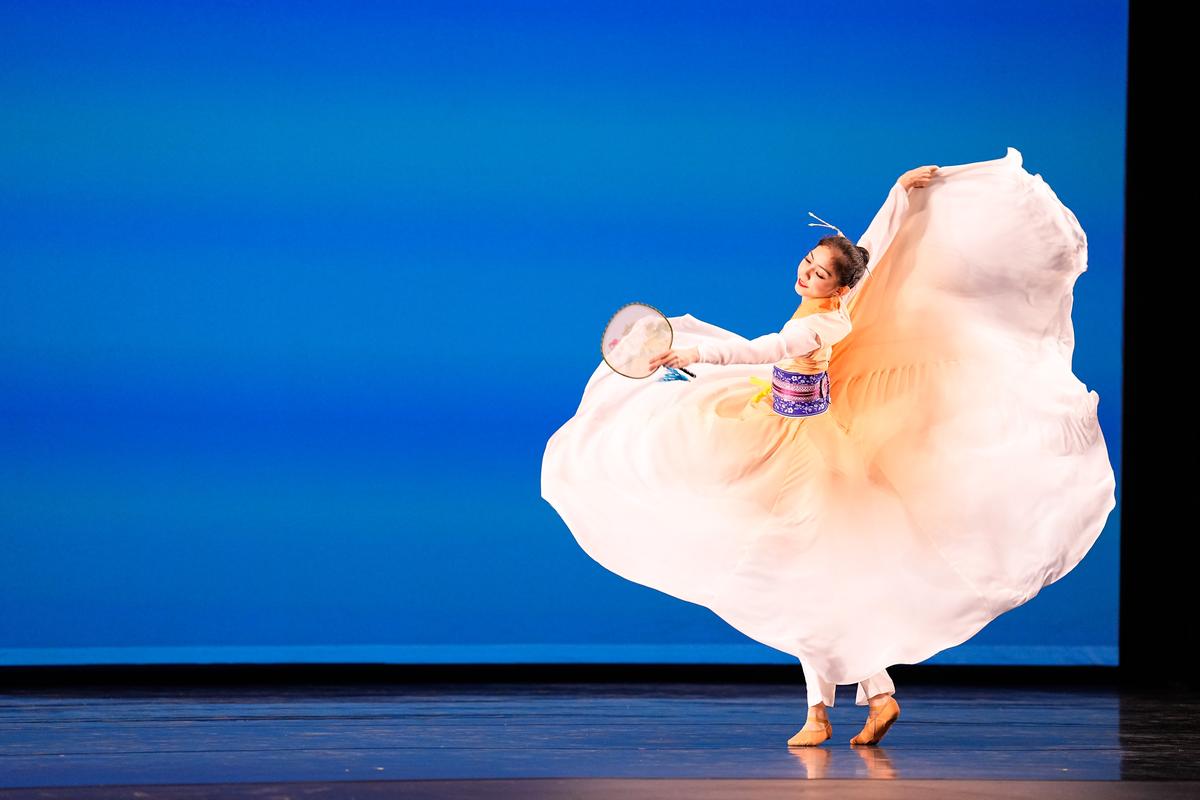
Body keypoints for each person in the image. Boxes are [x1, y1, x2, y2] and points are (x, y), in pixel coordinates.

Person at [541, 148, 1116, 748]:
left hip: (801, 450)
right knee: (818, 583)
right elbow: (874, 248)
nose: (807, 272)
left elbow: (762, 348)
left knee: (806, 579)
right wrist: (901, 195)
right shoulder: (843, 297)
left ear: (838, 287)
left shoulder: (821, 324)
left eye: (819, 272)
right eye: (809, 262)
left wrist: (693, 353)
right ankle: (869, 698)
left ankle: (828, 711)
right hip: (783, 422)